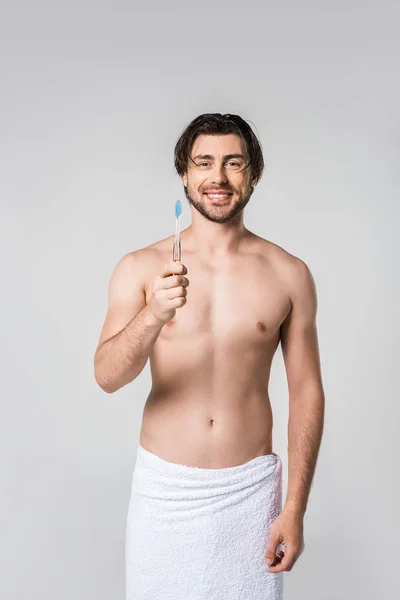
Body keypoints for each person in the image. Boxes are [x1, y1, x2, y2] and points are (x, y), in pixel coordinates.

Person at [94, 113, 325, 600]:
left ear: (253, 173)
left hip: (250, 493)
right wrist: (153, 315)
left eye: (233, 163)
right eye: (204, 163)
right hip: (166, 492)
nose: (217, 177)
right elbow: (108, 375)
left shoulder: (289, 274)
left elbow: (306, 392)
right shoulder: (141, 267)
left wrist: (294, 508)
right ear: (184, 172)